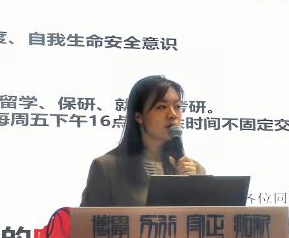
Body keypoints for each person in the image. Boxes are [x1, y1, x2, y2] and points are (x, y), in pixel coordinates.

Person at [80, 75, 205, 207]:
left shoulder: (194, 170)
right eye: (161, 107)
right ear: (138, 116)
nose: (173, 114)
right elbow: (87, 219)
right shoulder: (107, 167)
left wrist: (192, 184)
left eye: (177, 106)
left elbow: (205, 217)